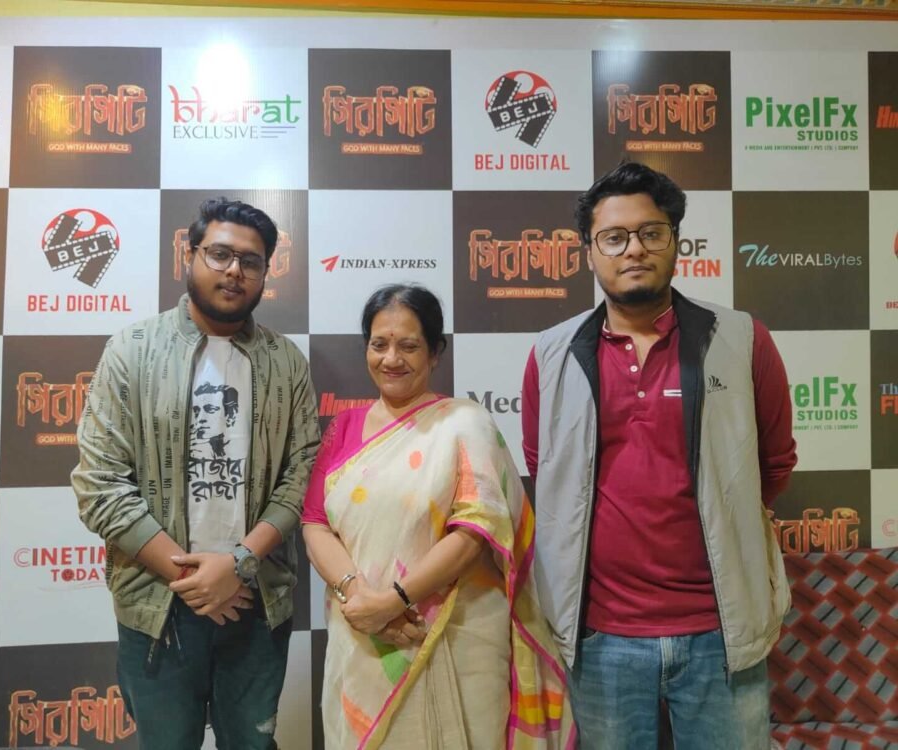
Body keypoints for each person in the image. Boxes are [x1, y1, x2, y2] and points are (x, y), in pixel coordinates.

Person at [523, 162, 798, 749]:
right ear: (589, 251)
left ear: (676, 242)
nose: (634, 249)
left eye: (651, 233)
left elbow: (773, 464)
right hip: (601, 638)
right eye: (614, 237)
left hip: (722, 634)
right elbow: (546, 472)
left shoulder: (741, 339)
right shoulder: (552, 353)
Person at [72, 198, 319, 750]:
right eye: (220, 254)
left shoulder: (286, 362)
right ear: (190, 255)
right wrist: (193, 579)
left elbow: (302, 473)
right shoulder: (132, 351)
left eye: (251, 261)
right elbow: (99, 484)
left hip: (255, 598)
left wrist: (240, 563)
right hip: (157, 600)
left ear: (266, 272)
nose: (235, 271)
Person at [302, 283, 572, 750]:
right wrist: (362, 599)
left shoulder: (465, 423)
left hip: (459, 635)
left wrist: (394, 601)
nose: (391, 359)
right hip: (362, 635)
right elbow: (315, 522)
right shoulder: (343, 428)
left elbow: (478, 528)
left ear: (435, 353)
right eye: (379, 344)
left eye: (409, 346)